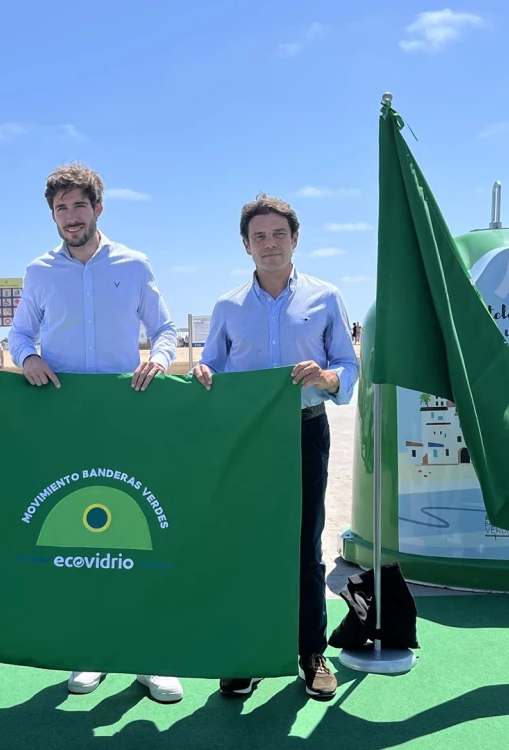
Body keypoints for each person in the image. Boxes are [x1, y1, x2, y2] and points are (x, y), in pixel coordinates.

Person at [7, 162, 183, 703]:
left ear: (98, 208)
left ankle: (150, 654)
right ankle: (93, 650)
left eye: (79, 206)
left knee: (138, 533)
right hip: (61, 422)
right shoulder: (39, 271)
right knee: (82, 538)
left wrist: (160, 358)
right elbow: (17, 334)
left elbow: (166, 330)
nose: (70, 216)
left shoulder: (134, 264)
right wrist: (29, 355)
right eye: (60, 208)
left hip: (128, 418)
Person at [192, 194, 359, 700]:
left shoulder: (325, 297)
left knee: (305, 547)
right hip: (248, 442)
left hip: (306, 430)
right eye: (259, 237)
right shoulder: (227, 306)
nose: (270, 244)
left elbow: (348, 369)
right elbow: (212, 371)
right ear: (246, 245)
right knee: (248, 545)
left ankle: (311, 652)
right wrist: (202, 374)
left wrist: (328, 376)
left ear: (295, 239)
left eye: (278, 235)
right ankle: (249, 651)